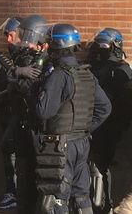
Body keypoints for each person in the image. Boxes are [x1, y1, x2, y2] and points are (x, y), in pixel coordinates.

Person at [35, 24, 111, 214]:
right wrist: (85, 128)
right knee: (81, 195)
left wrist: (35, 90)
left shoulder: (59, 76)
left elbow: (43, 112)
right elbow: (105, 107)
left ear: (56, 45)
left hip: (60, 147)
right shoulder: (86, 73)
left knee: (57, 197)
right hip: (82, 143)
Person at [3, 14, 49, 214]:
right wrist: (17, 72)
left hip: (38, 127)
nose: (26, 42)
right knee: (24, 174)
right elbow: (7, 78)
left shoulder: (44, 61)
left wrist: (17, 75)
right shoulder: (25, 58)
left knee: (36, 177)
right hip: (22, 122)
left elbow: (26, 87)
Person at [87, 28, 132, 214]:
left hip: (109, 128)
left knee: (101, 168)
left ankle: (103, 204)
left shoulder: (121, 70)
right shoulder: (114, 69)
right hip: (105, 127)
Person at [0, 16, 23, 210]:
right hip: (6, 114)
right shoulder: (9, 59)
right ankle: (11, 190)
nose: (8, 40)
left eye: (11, 36)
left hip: (21, 117)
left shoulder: (27, 60)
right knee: (7, 155)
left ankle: (17, 192)